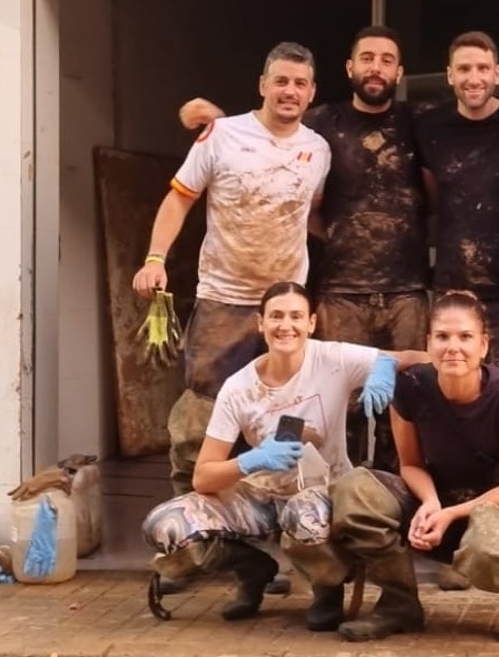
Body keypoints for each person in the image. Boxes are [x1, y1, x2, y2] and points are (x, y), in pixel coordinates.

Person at [181, 26, 431, 477]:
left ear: (400, 71)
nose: (376, 67)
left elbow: (469, 122)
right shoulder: (322, 124)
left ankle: (395, 508)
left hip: (407, 289)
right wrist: (216, 120)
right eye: (367, 58)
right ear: (349, 68)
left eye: (387, 59)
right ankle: (334, 500)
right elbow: (269, 128)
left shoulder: (420, 122)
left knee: (403, 407)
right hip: (338, 289)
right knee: (340, 410)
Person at [141, 281, 431, 629]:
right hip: (262, 491)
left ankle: (327, 587)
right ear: (260, 324)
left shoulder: (332, 358)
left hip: (322, 491)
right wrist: (251, 460)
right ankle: (252, 569)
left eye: (296, 316)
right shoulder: (238, 387)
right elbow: (203, 477)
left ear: (311, 323)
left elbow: (422, 358)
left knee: (302, 514)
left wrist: (386, 366)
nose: (286, 325)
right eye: (276, 316)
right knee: (166, 526)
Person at [133, 41, 331, 499]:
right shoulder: (221, 135)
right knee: (201, 420)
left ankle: (282, 522)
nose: (289, 91)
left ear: (312, 92)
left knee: (288, 417)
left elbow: (312, 214)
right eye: (280, 81)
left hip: (285, 307)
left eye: (300, 83)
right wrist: (155, 258)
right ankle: (192, 522)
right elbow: (180, 197)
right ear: (262, 85)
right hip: (223, 302)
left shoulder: (318, 149)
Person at [329, 290, 499, 644]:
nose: (453, 347)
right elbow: (411, 464)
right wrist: (432, 503)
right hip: (436, 504)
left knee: (491, 542)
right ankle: (399, 604)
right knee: (355, 490)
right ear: (428, 342)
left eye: (465, 337)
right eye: (443, 337)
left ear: (483, 345)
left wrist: (452, 514)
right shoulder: (411, 386)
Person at [414, 30, 499, 393]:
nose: (474, 78)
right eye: (465, 68)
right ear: (450, 74)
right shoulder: (430, 127)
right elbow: (433, 199)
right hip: (452, 288)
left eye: (483, 68)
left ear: (498, 73)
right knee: (452, 394)